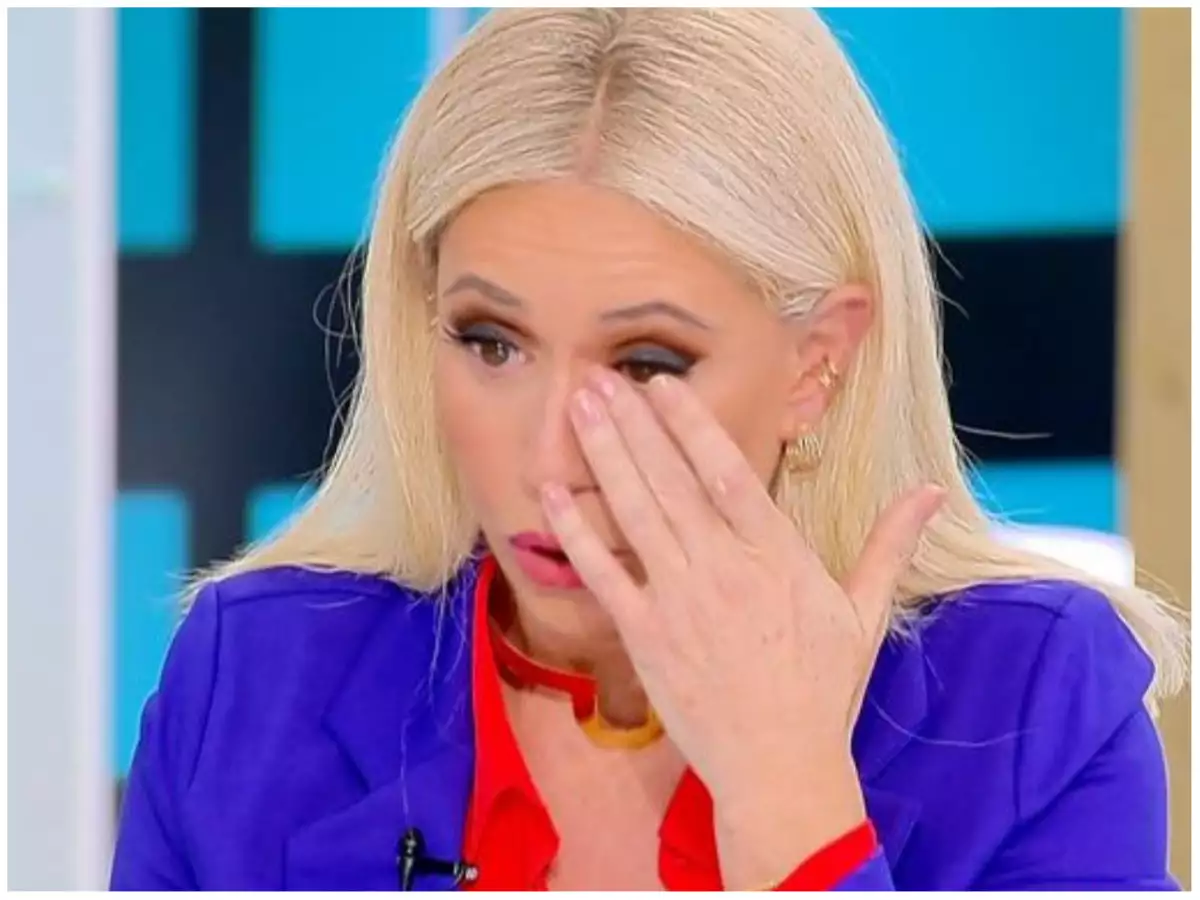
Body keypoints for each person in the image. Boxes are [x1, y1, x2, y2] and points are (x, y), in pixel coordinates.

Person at [110, 8, 1186, 891]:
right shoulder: (249, 682)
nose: (551, 462)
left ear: (816, 362)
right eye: (491, 342)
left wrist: (792, 805)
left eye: (644, 363)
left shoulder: (1036, 704)